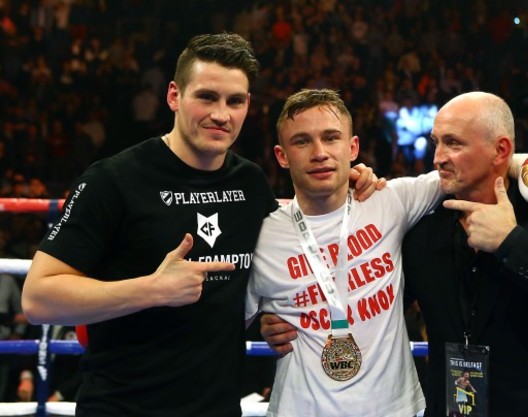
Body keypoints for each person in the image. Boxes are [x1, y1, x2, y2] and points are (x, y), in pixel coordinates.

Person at [20, 33, 381, 417]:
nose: (221, 114)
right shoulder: (113, 180)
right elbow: (38, 298)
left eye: (235, 101)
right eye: (207, 97)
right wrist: (151, 289)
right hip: (122, 407)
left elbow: (283, 259)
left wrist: (354, 182)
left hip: (219, 408)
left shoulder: (250, 183)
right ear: (174, 96)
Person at [260, 91, 528, 417]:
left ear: (500, 151)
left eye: (453, 143)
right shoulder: (423, 230)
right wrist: (288, 317)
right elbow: (370, 305)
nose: (438, 157)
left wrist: (511, 242)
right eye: (436, 142)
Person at [244, 88, 443, 416]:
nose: (319, 152)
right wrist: (261, 323)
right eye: (302, 141)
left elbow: (468, 167)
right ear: (281, 156)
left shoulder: (389, 200)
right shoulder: (261, 235)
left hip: (394, 410)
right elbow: (215, 324)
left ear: (353, 148)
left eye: (331, 137)